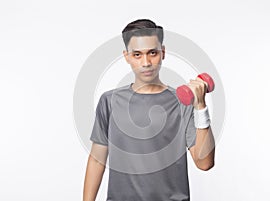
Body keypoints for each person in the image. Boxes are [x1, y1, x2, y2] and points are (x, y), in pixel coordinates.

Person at [83, 19, 215, 201]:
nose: (146, 62)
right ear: (126, 56)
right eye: (137, 55)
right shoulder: (109, 101)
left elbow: (204, 163)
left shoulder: (182, 103)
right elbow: (97, 159)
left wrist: (200, 107)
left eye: (152, 53)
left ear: (163, 53)